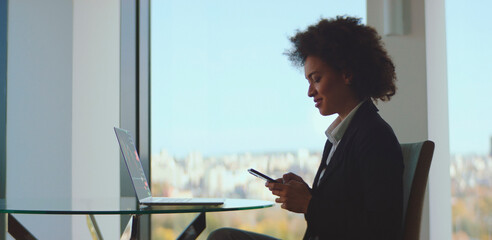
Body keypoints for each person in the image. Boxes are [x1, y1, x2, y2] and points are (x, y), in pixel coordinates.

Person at [208, 16, 403, 240]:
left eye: (316, 79)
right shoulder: (342, 136)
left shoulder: (374, 137)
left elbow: (382, 231)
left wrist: (309, 204)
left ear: (347, 74)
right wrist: (308, 195)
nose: (310, 92)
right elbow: (346, 208)